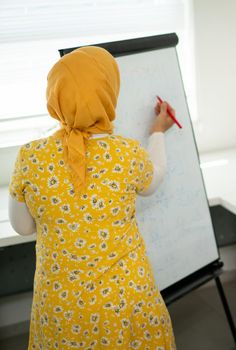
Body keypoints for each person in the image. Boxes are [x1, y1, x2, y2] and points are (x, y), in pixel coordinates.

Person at [8, 47, 177, 349]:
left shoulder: (30, 157)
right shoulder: (127, 154)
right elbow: (155, 179)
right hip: (126, 300)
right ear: (109, 93)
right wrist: (157, 132)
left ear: (54, 97)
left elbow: (22, 227)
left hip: (62, 306)